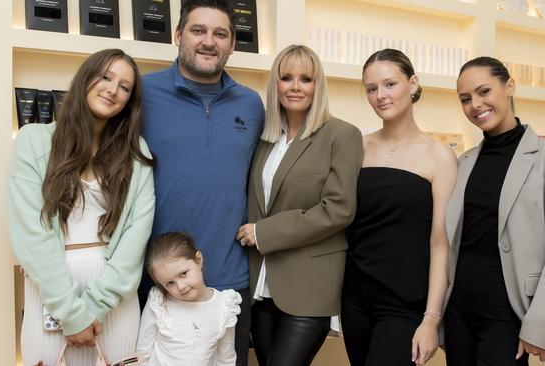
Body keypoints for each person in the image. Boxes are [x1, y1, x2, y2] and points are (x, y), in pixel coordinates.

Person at [6, 48, 155, 365]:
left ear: (130, 100)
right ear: (85, 78)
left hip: (115, 295)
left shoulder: (136, 153)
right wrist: (71, 314)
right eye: (105, 76)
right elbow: (32, 233)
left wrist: (95, 307)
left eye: (125, 87)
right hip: (51, 290)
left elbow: (135, 236)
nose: (113, 89)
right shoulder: (33, 141)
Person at [140, 1, 264, 364]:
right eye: (198, 30)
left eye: (220, 33)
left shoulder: (252, 104)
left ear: (232, 45)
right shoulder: (143, 95)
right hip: (161, 281)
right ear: (178, 35)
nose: (209, 41)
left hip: (228, 280)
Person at [443, 56, 545, 365]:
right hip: (459, 310)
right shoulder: (463, 162)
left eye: (483, 91)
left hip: (509, 310)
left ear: (509, 87)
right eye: (465, 99)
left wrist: (541, 322)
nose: (475, 104)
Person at [234, 44, 363, 366]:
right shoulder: (264, 138)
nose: (295, 86)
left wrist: (264, 232)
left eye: (305, 79)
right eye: (286, 77)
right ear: (274, 84)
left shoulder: (342, 135)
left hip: (310, 285)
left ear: (317, 86)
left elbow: (339, 209)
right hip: (260, 282)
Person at [340, 48, 456, 366]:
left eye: (390, 84)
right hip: (354, 297)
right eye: (371, 88)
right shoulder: (357, 147)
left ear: (413, 84)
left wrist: (432, 318)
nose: (380, 95)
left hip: (405, 301)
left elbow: (440, 242)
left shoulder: (440, 157)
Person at [137, 232, 242, 365]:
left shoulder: (224, 306)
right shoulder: (159, 302)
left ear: (198, 260)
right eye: (170, 283)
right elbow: (142, 355)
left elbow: (226, 359)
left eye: (183, 274)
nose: (180, 287)